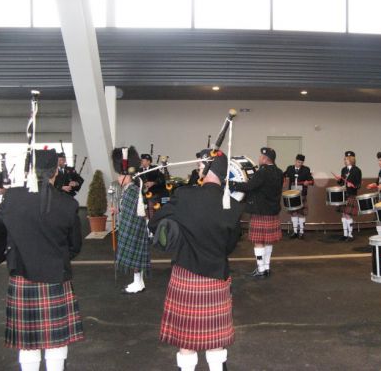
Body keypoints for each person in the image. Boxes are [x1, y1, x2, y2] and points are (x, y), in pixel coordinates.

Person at [148, 149, 244, 371]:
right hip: (216, 276)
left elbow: (156, 223)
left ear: (207, 169)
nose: (198, 169)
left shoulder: (185, 196)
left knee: (186, 342)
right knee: (215, 341)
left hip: (186, 274)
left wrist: (176, 233)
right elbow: (229, 246)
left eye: (201, 166)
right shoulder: (233, 206)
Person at [0, 148, 84, 371]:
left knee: (27, 342)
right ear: (55, 172)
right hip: (56, 277)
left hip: (22, 277)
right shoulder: (68, 204)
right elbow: (74, 246)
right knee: (57, 340)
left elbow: (0, 232)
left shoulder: (11, 198)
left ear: (29, 170)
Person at [230, 147, 283, 278]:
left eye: (260, 157)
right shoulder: (279, 172)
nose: (259, 158)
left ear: (265, 159)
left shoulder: (262, 172)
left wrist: (231, 184)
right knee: (268, 241)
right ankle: (266, 267)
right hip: (273, 211)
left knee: (258, 240)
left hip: (260, 211)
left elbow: (249, 186)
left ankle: (260, 269)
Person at [111, 146, 150, 294]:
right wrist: (118, 210)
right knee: (135, 257)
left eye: (121, 176)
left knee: (135, 257)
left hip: (133, 228)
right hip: (132, 227)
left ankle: (138, 283)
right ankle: (138, 282)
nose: (119, 178)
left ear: (128, 176)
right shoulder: (130, 189)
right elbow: (128, 208)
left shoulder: (132, 190)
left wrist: (122, 214)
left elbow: (133, 212)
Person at [283, 154, 314, 239]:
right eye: (298, 162)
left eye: (301, 162)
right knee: (294, 213)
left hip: (301, 194)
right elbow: (284, 175)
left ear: (303, 162)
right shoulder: (290, 168)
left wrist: (308, 182)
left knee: (301, 214)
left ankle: (301, 232)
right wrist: (283, 179)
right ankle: (295, 232)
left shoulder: (306, 169)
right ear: (295, 160)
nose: (299, 164)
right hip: (292, 195)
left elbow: (311, 181)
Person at [336, 151, 362, 242]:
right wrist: (339, 180)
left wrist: (353, 185)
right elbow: (342, 183)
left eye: (346, 159)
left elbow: (359, 185)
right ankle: (345, 234)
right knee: (343, 214)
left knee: (348, 215)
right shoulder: (344, 170)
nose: (345, 160)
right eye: (345, 159)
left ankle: (350, 235)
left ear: (351, 159)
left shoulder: (357, 170)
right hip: (343, 194)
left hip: (351, 194)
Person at [138, 153, 168, 218]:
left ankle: (152, 221)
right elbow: (136, 182)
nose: (141, 162)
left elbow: (162, 179)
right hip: (143, 194)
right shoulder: (139, 171)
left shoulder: (155, 169)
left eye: (143, 160)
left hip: (154, 193)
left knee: (151, 202)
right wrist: (142, 185)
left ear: (148, 161)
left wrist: (153, 183)